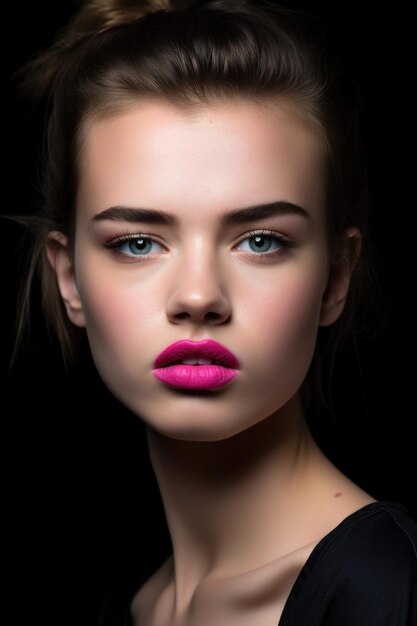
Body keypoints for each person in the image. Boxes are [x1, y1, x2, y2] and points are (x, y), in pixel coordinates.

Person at [7, 0, 417, 624]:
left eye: (261, 240)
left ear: (336, 276)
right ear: (70, 277)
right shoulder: (132, 607)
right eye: (138, 243)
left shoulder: (388, 590)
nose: (199, 296)